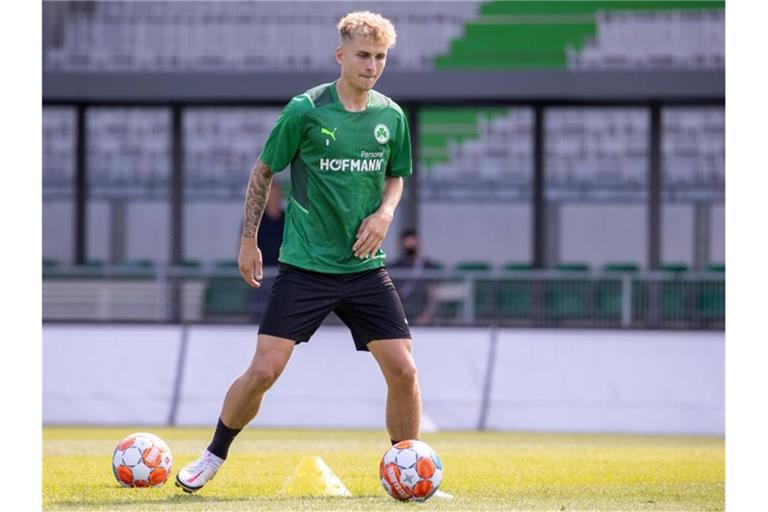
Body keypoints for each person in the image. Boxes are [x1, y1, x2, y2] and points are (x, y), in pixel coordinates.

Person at [176, 11, 422, 493]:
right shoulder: (305, 111)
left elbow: (397, 175)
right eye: (363, 56)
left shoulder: (391, 116)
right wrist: (248, 240)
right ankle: (212, 455)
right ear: (341, 55)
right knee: (264, 370)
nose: (372, 66)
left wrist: (386, 213)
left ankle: (407, 469)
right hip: (307, 267)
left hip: (365, 268)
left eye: (379, 58)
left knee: (404, 369)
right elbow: (263, 172)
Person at [390, 228, 442, 325]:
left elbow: (434, 296)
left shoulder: (428, 266)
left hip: (424, 317)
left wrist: (426, 316)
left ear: (419, 243)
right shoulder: (395, 267)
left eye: (412, 245)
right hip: (400, 317)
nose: (410, 248)